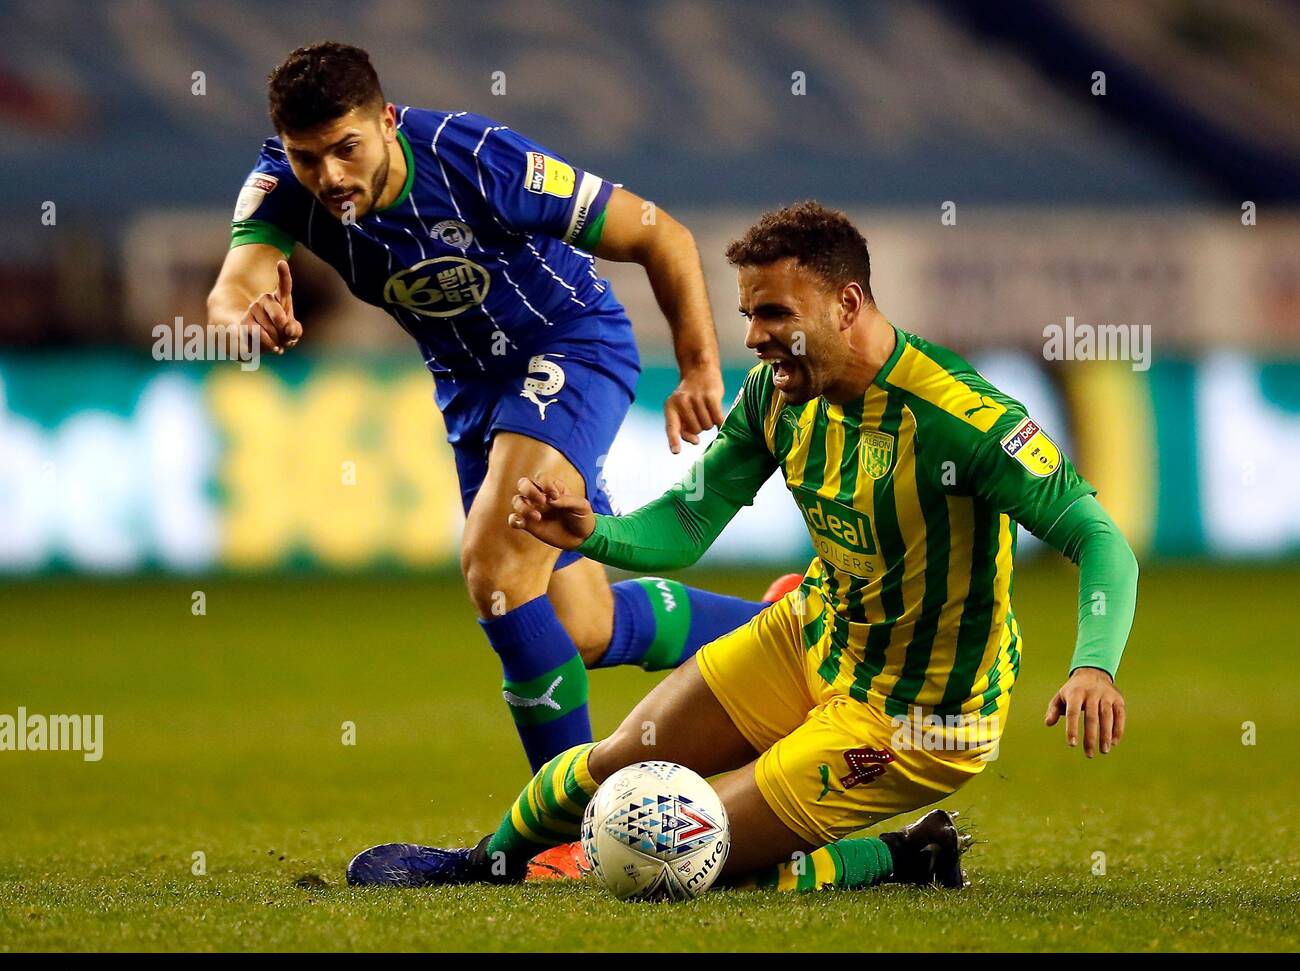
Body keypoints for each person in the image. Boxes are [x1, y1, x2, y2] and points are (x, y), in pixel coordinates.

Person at [347, 201, 1138, 892]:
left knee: (682, 854)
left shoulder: (961, 419)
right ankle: (488, 861)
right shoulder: (777, 396)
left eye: (773, 316)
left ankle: (901, 856)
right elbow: (689, 521)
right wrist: (596, 533)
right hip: (811, 636)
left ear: (847, 303)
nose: (754, 338)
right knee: (613, 761)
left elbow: (1098, 538)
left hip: (916, 717)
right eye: (749, 315)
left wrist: (1094, 663)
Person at [206, 42, 790, 772]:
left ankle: (566, 830)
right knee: (583, 625)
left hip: (570, 347)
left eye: (345, 148)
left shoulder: (479, 159)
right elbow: (235, 284)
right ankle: (788, 631)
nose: (328, 175)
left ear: (386, 122)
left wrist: (700, 366)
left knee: (496, 570)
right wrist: (246, 320)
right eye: (306, 156)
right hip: (470, 390)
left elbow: (657, 233)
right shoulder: (280, 183)